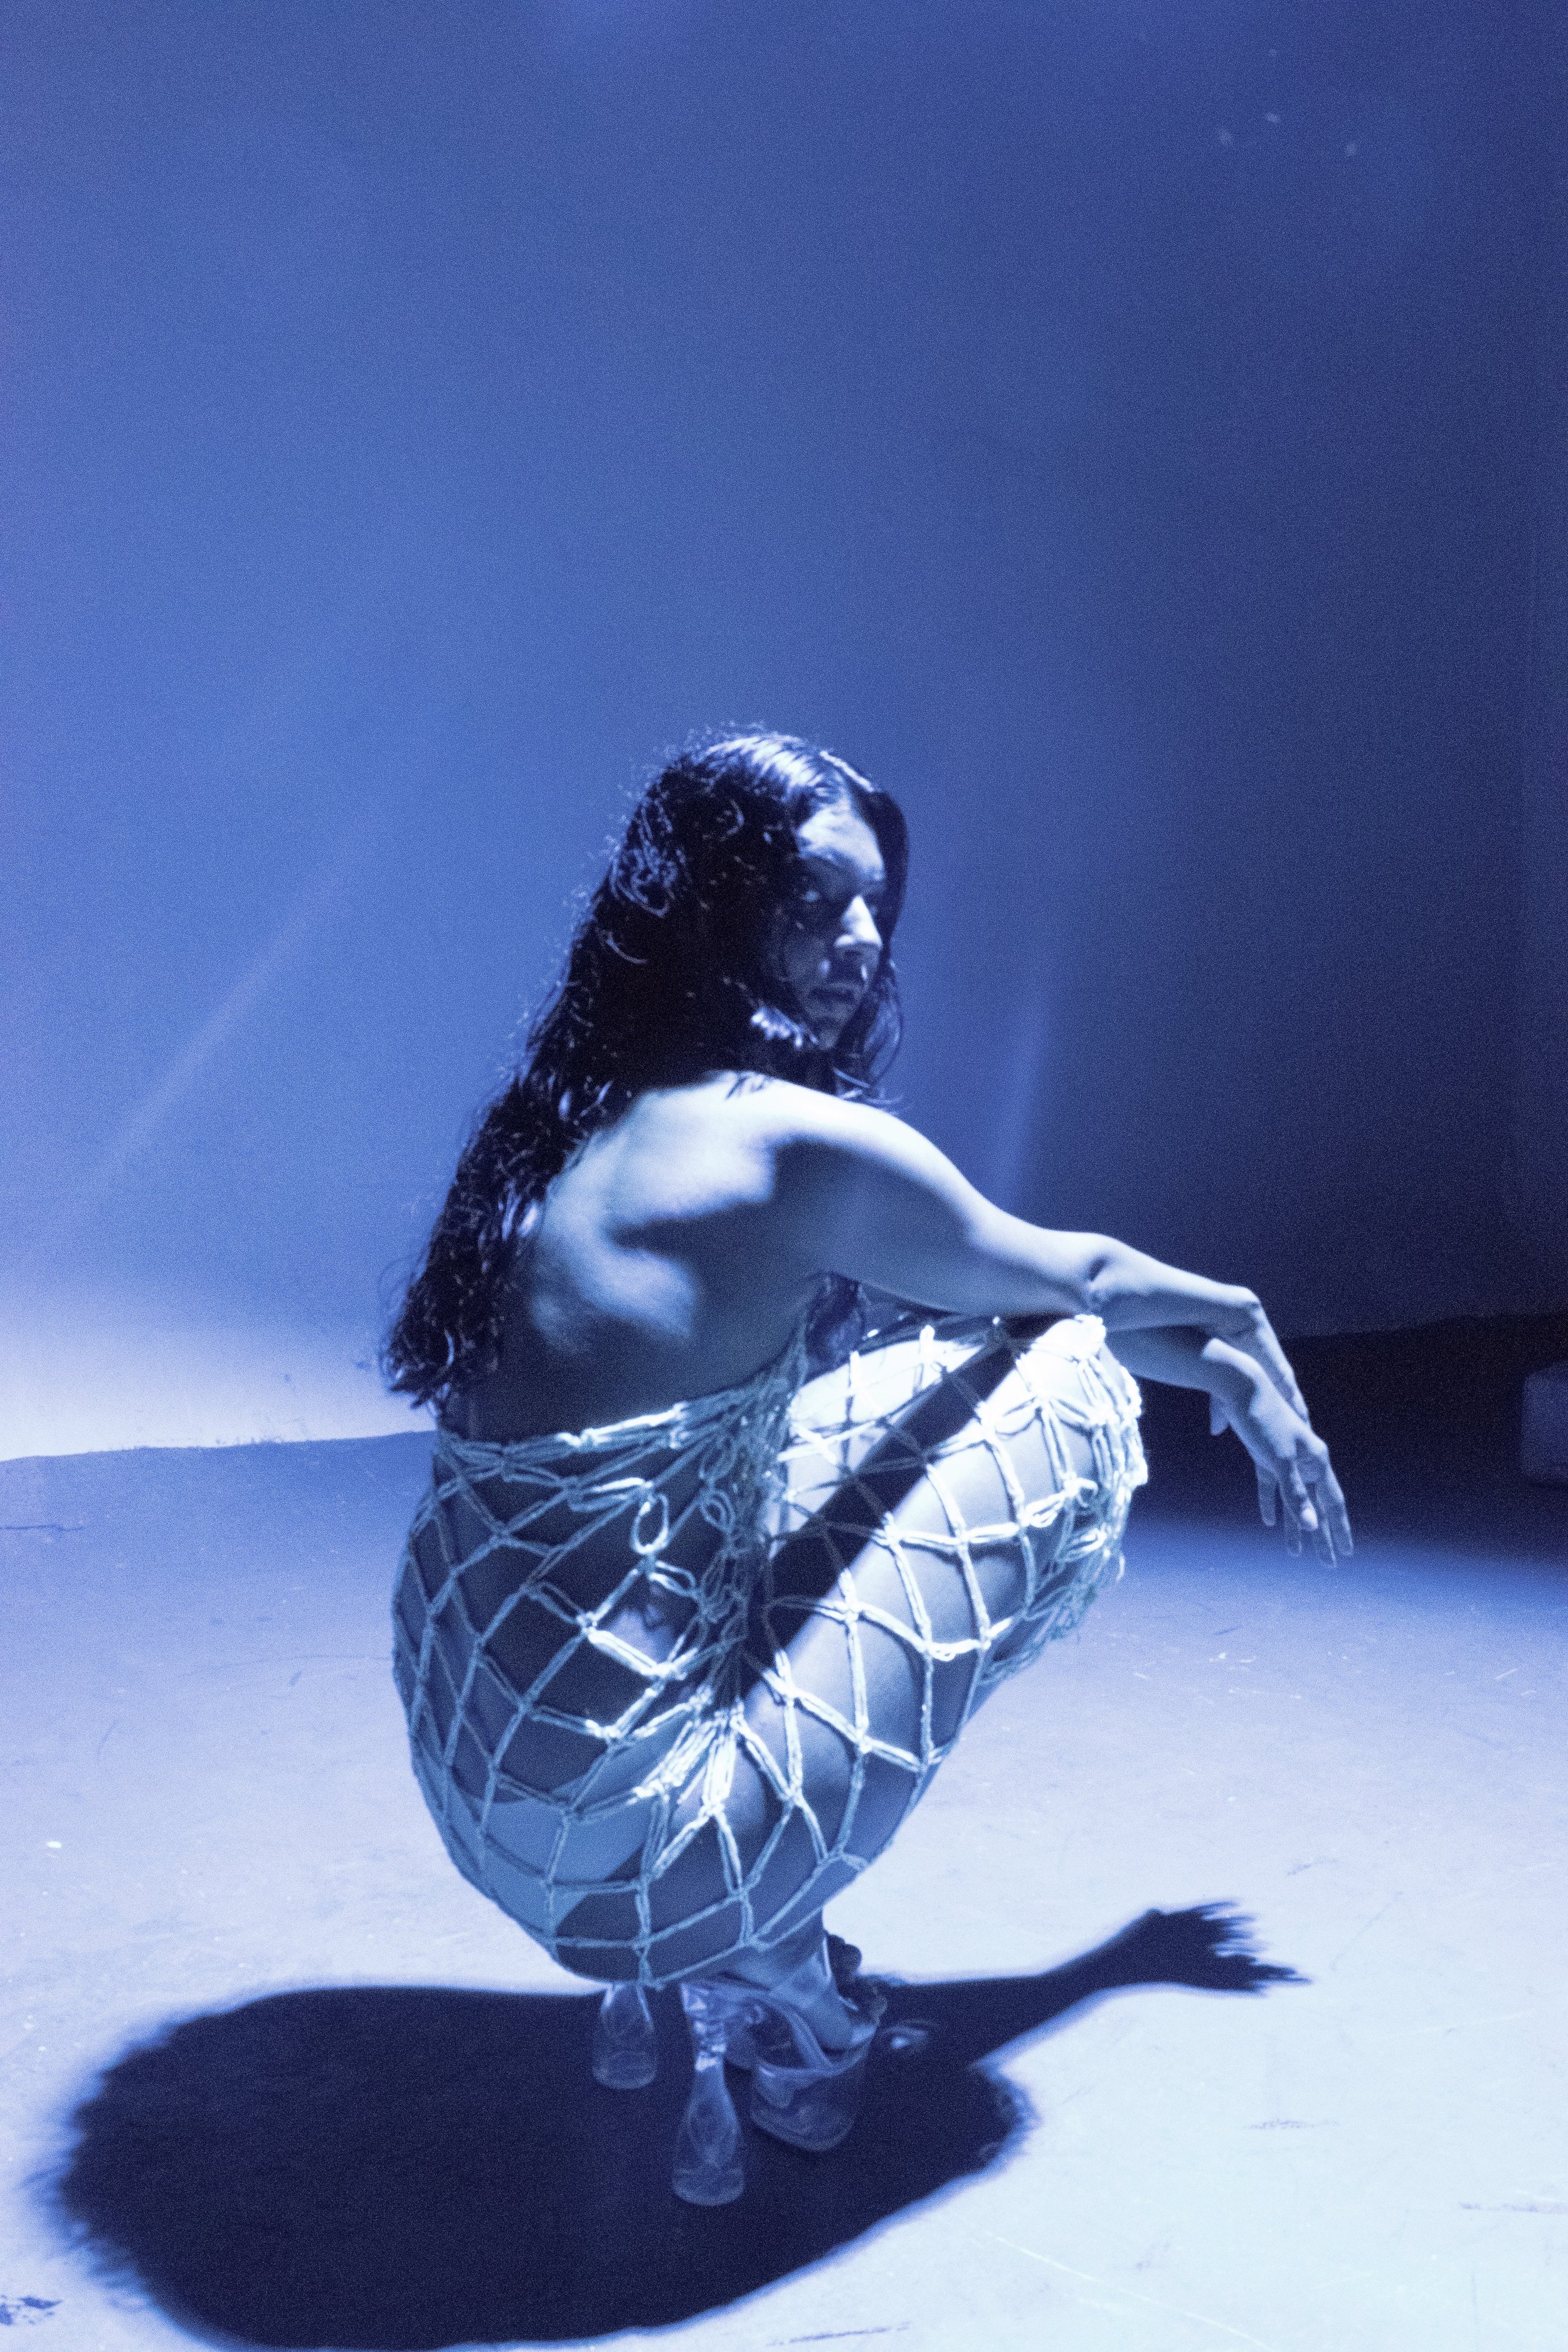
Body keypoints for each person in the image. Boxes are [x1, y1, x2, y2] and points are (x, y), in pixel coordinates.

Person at [384, 731, 1351, 2203]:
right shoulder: (790, 1145)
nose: (852, 944)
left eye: (872, 913)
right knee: (1072, 1391)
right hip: (644, 1844)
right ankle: (791, 2004)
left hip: (480, 1784)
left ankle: (697, 1968)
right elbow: (1069, 1293)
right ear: (704, 901)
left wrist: (1196, 1352)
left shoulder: (564, 1122)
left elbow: (1001, 1304)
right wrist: (1236, 1325)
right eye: (809, 896)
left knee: (904, 1387)